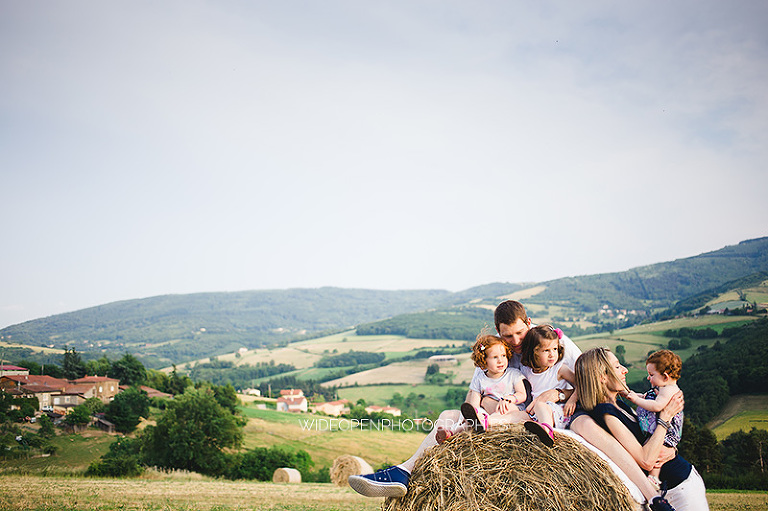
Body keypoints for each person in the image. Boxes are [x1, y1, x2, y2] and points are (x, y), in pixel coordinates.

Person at [348, 300, 574, 498]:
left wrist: (558, 394)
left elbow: (588, 380)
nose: (515, 341)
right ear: (498, 331)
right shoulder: (496, 351)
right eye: (508, 335)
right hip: (496, 413)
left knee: (491, 410)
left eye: (519, 333)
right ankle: (404, 471)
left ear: (528, 322)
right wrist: (475, 410)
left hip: (534, 415)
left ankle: (407, 469)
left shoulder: (548, 342)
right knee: (447, 416)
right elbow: (473, 394)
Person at [573, 347, 708, 511]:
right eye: (617, 367)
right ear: (602, 377)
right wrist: (665, 418)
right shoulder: (606, 412)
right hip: (674, 489)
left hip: (681, 484)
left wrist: (671, 450)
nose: (625, 370)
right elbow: (646, 459)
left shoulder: (618, 403)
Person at [435, 333, 527, 443]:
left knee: (505, 411)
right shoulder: (480, 379)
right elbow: (475, 402)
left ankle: (486, 422)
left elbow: (522, 394)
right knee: (471, 421)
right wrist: (474, 413)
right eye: (495, 357)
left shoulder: (513, 374)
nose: (500, 360)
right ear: (484, 360)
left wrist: (509, 399)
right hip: (487, 412)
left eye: (503, 356)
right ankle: (450, 432)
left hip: (509, 408)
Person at [625, 350, 684, 488]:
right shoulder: (662, 387)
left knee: (657, 451)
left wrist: (635, 400)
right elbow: (647, 397)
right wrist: (633, 395)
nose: (648, 378)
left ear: (665, 376)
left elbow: (657, 406)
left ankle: (654, 478)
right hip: (660, 426)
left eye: (651, 375)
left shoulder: (669, 390)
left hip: (668, 431)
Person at [518, 324, 578, 447]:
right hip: (536, 413)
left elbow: (581, 385)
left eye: (555, 349)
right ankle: (488, 422)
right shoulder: (527, 371)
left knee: (540, 405)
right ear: (534, 352)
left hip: (559, 412)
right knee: (517, 414)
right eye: (546, 350)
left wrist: (572, 399)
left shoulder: (560, 369)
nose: (552, 354)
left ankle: (547, 431)